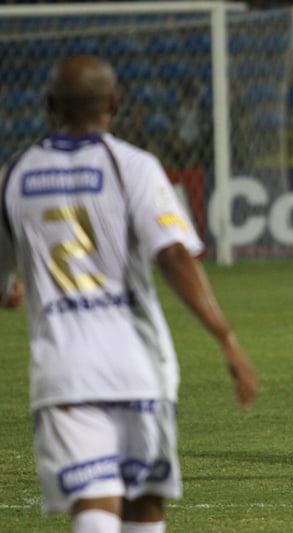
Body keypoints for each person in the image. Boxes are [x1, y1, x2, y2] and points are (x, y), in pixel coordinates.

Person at [0, 55, 258, 532]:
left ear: (50, 104)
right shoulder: (132, 166)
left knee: (94, 503)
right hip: (138, 365)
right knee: (144, 503)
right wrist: (226, 338)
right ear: (114, 104)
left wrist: (11, 292)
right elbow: (174, 256)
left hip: (62, 371)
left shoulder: (12, 176)